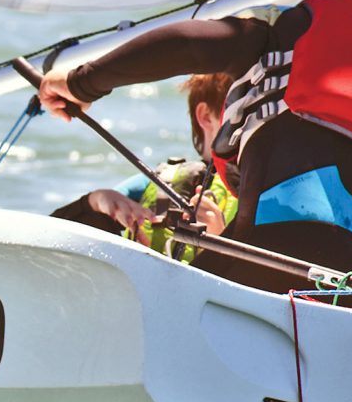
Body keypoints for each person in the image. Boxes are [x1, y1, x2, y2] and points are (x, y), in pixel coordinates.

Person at [39, 0, 352, 294]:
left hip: (282, 250)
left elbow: (185, 43)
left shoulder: (291, 29)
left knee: (162, 302)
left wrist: (82, 83)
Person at [51, 73, 236, 263]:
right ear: (206, 116)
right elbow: (50, 245)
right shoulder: (157, 183)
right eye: (241, 112)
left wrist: (220, 245)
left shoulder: (261, 196)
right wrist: (94, 205)